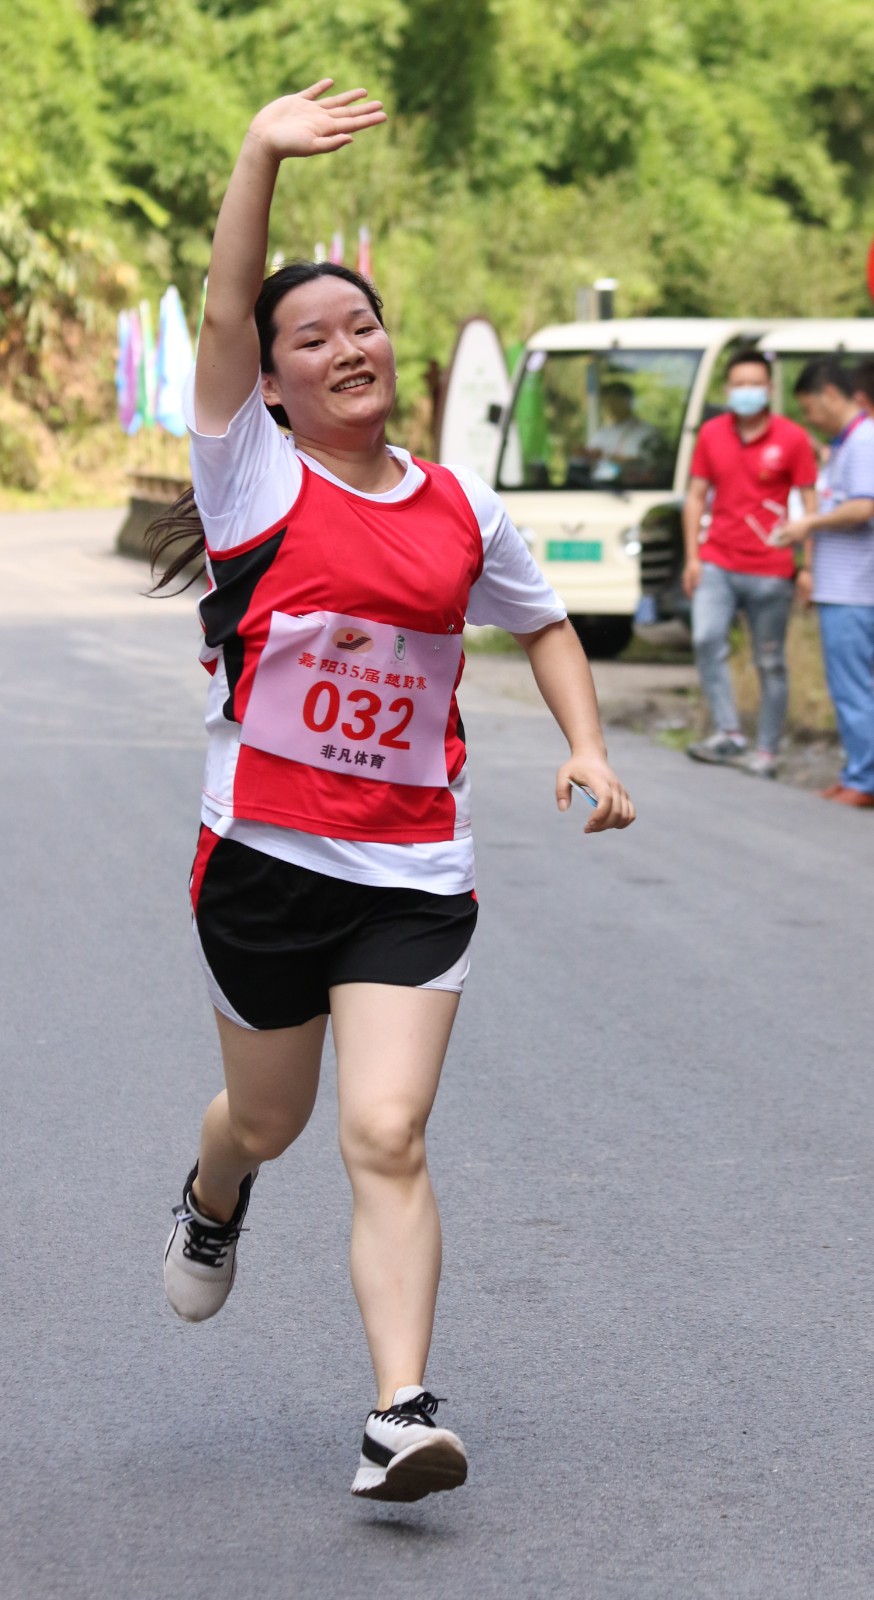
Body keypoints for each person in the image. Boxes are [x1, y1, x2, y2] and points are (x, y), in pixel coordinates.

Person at [151, 80, 635, 1504]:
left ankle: (397, 1411)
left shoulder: (459, 506)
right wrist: (258, 152)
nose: (344, 346)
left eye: (359, 323)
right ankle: (214, 1192)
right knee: (270, 1122)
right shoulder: (250, 484)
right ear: (273, 385)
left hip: (413, 871)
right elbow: (225, 309)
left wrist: (588, 744)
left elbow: (542, 620)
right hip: (262, 863)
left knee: (386, 1131)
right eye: (311, 338)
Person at [682, 350, 818, 778]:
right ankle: (728, 733)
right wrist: (692, 557)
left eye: (754, 384)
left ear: (769, 389)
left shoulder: (793, 438)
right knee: (706, 639)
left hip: (771, 569)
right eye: (739, 384)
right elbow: (695, 496)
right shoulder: (711, 434)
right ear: (727, 389)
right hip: (717, 560)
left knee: (770, 660)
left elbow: (810, 505)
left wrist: (808, 567)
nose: (747, 391)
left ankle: (767, 751)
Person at [776, 360, 874, 807]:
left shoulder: (864, 439)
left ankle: (864, 781)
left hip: (855, 589)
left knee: (855, 688)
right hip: (844, 587)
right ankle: (856, 772)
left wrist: (809, 524)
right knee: (850, 687)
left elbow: (864, 507)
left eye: (810, 408)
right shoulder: (847, 443)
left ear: (832, 395)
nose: (809, 418)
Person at [581, 381, 666, 485]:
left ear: (627, 401)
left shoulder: (647, 433)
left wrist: (608, 457)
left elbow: (650, 466)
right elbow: (588, 459)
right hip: (597, 487)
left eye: (614, 401)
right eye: (607, 402)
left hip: (632, 489)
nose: (610, 406)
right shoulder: (602, 433)